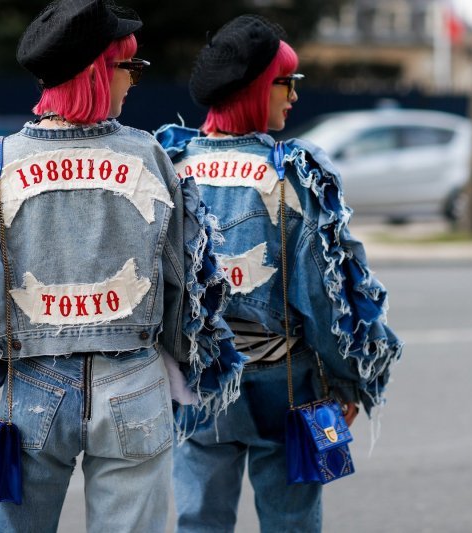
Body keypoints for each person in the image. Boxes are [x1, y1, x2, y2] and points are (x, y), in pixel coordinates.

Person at [0, 1, 244, 532]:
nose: (134, 83)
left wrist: (3, 352)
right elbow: (185, 281)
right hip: (133, 380)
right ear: (96, 72)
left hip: (29, 385)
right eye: (129, 68)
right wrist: (182, 358)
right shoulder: (149, 155)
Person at [155, 15, 403, 532]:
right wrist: (346, 382)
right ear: (255, 90)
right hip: (284, 380)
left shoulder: (171, 166)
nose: (293, 96)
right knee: (291, 520)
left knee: (199, 517)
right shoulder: (294, 173)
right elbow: (327, 296)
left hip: (200, 376)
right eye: (286, 83)